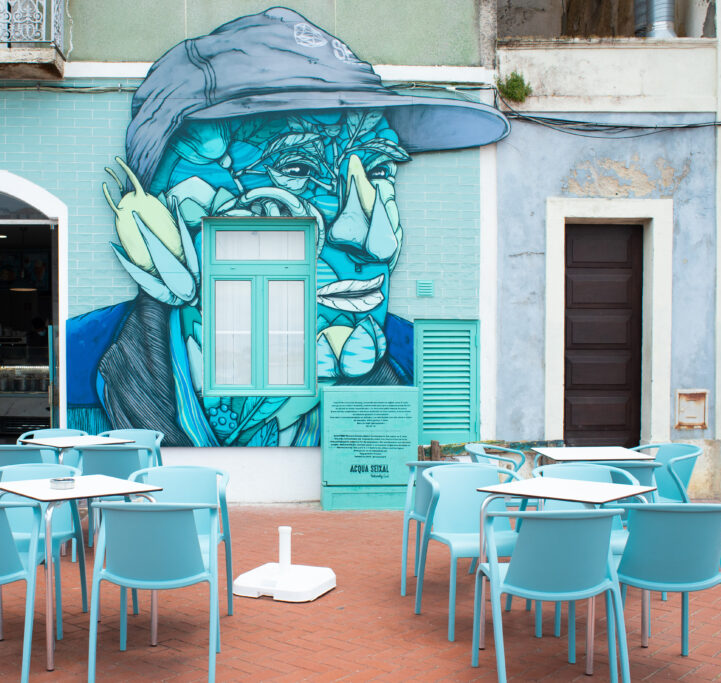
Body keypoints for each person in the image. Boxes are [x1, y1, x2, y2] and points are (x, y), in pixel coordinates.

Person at [67, 7, 509, 446]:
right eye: (298, 166)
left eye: (379, 170)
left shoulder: (408, 359)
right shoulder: (78, 375)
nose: (376, 239)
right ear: (162, 215)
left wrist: (367, 380)